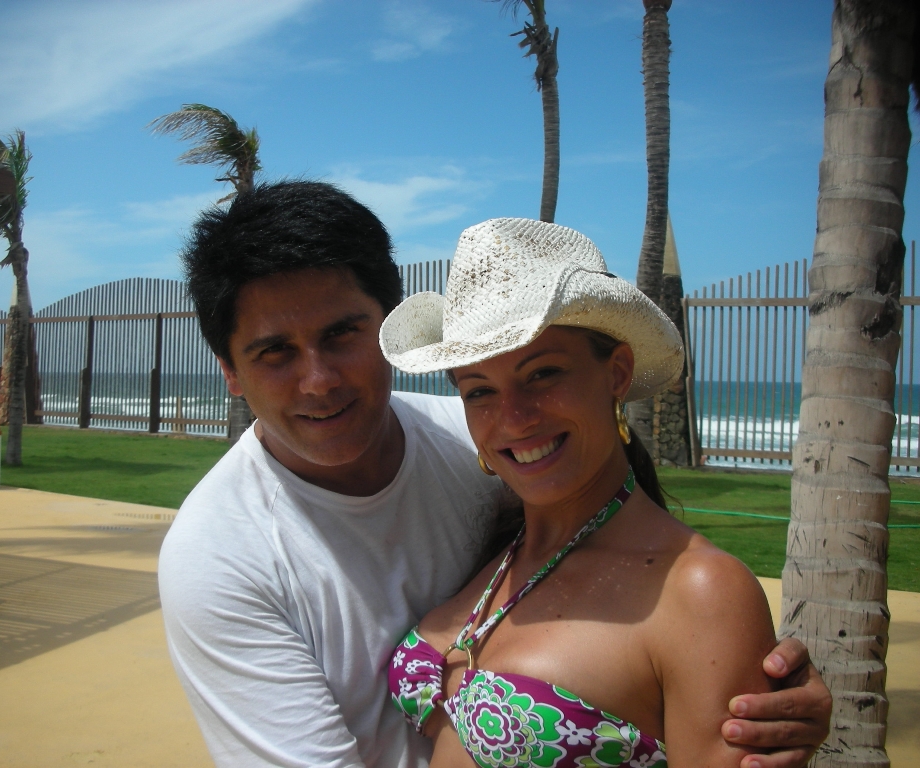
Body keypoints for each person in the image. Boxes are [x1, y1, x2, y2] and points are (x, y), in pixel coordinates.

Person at [158, 181, 832, 768]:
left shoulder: (486, 459)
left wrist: (753, 681)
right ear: (230, 372)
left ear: (617, 373)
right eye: (275, 352)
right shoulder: (220, 556)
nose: (513, 420)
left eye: (340, 334)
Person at [382, 217, 793, 767]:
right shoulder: (498, 545)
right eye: (480, 391)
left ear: (617, 373)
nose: (514, 418)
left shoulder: (700, 592)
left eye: (543, 374)